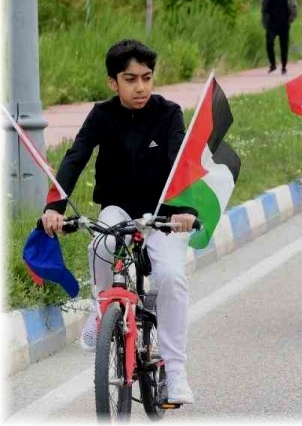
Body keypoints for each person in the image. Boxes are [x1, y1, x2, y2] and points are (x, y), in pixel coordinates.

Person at [41, 40, 198, 404]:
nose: (140, 87)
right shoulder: (101, 115)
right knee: (101, 243)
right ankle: (101, 311)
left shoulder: (169, 112)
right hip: (118, 209)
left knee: (172, 278)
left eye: (146, 78)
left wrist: (185, 210)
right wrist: (55, 206)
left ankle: (175, 371)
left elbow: (181, 161)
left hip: (163, 214)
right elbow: (75, 156)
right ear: (114, 82)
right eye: (130, 79)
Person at [261, 0, 298, 75]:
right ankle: (273, 64)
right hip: (271, 25)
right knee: (269, 44)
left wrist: (290, 19)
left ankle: (284, 67)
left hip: (284, 25)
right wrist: (265, 22)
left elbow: (294, 8)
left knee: (284, 46)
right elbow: (264, 9)